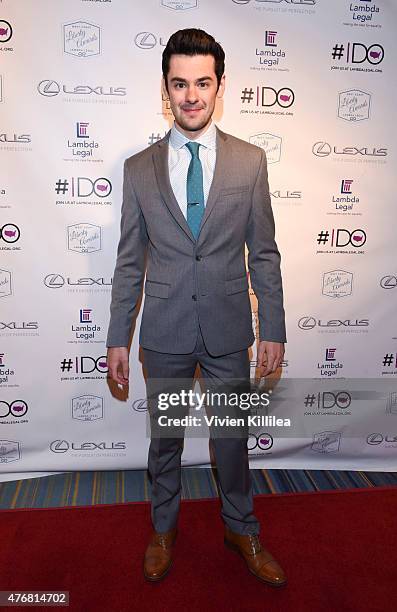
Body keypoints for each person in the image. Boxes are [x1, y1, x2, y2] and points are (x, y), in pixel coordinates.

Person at [107, 28, 287, 587]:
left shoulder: (251, 161)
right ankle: (164, 529)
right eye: (179, 84)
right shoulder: (138, 169)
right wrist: (117, 337)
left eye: (202, 83)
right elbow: (130, 262)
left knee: (232, 439)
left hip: (230, 325)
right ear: (166, 88)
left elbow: (264, 252)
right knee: (165, 439)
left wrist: (273, 328)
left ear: (220, 86)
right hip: (162, 328)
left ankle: (241, 526)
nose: (191, 96)